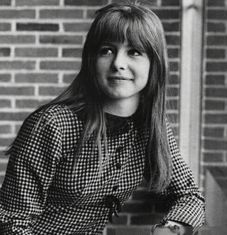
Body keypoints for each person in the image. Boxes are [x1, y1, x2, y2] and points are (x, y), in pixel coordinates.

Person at [0, 2, 205, 235]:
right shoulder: (52, 125)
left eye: (134, 52)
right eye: (106, 50)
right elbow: (11, 223)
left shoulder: (150, 126)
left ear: (153, 64)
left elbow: (189, 195)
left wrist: (170, 229)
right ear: (91, 60)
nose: (118, 63)